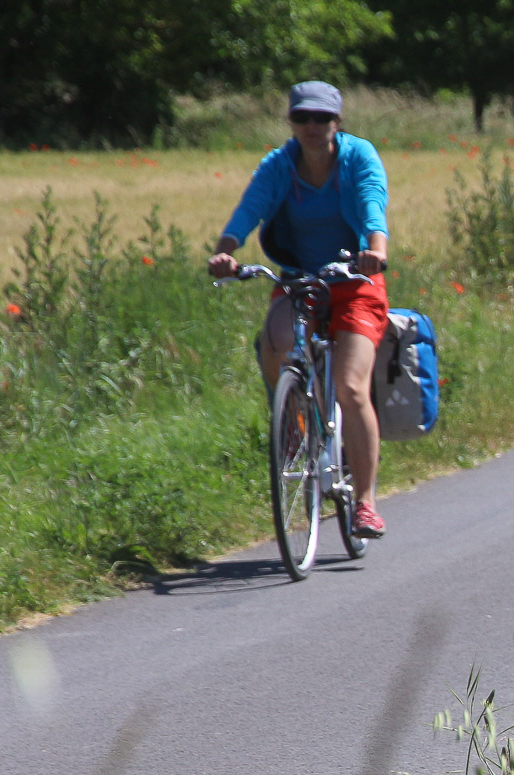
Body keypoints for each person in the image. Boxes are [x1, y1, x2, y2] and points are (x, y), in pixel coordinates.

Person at [208, 80, 392, 538]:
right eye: (302, 118)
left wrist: (375, 248)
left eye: (322, 118)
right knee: (276, 340)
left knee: (351, 389)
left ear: (337, 122)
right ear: (291, 121)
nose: (312, 126)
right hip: (300, 281)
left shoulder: (358, 157)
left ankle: (366, 503)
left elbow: (373, 204)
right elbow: (249, 209)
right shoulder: (279, 164)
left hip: (356, 281)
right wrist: (226, 251)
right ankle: (293, 419)